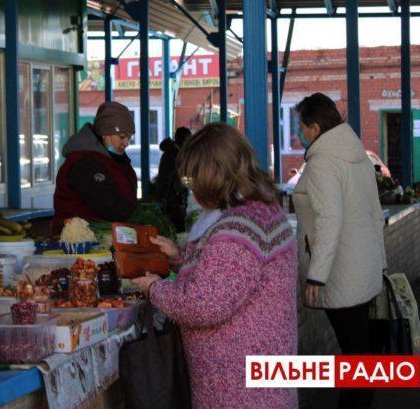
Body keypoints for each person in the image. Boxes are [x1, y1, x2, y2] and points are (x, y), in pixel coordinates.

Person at [132, 123, 298, 409]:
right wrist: (180, 256)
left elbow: (203, 304)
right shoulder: (261, 210)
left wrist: (154, 288)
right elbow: (233, 274)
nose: (191, 186)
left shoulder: (238, 229)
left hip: (237, 389)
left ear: (214, 176)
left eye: (193, 178)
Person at [292, 93, 385, 409]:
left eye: (302, 127)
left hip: (340, 275)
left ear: (315, 128)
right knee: (361, 353)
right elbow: (375, 212)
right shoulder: (357, 155)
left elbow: (329, 220)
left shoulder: (322, 163)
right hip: (364, 268)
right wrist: (381, 263)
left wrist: (316, 277)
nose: (301, 133)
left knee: (356, 356)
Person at [52, 101, 137, 233]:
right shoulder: (85, 163)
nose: (126, 143)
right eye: (122, 137)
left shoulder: (116, 159)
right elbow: (111, 206)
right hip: (79, 245)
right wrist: (139, 216)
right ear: (105, 133)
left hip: (109, 241)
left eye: (129, 137)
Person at [154, 127, 192, 231]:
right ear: (183, 140)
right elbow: (171, 178)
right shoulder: (173, 154)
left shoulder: (174, 152)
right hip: (173, 200)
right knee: (177, 228)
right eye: (188, 140)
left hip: (173, 198)